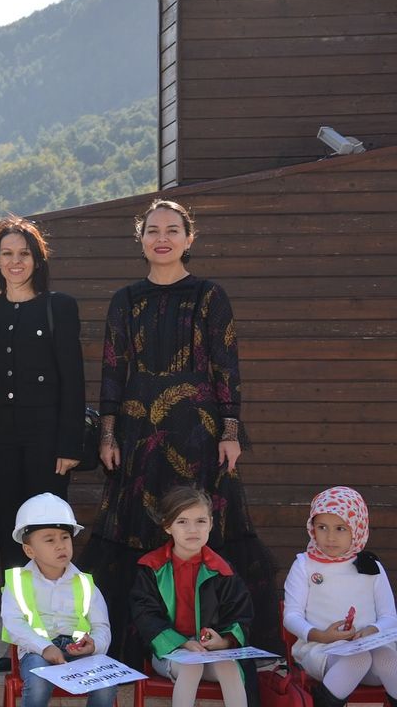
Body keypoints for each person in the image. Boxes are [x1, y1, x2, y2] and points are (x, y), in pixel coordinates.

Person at [81, 199, 277, 659]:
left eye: (172, 229)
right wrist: (107, 435)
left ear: (189, 238)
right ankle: (139, 646)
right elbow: (112, 372)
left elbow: (227, 367)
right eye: (153, 230)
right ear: (140, 239)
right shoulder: (125, 300)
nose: (162, 238)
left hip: (199, 431)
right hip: (137, 432)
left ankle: (212, 638)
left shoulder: (210, 295)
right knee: (138, 528)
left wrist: (230, 431)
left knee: (200, 522)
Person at [0, 217, 84, 571]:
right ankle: (16, 603)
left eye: (24, 253)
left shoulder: (59, 307)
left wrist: (69, 445)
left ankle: (55, 602)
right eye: (7, 253)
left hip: (47, 442)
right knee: (9, 527)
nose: (15, 261)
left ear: (37, 259)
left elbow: (73, 380)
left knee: (49, 528)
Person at [129, 487, 256, 707]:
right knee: (191, 666)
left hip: (210, 652)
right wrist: (183, 643)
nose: (192, 529)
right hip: (169, 651)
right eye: (182, 522)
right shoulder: (152, 568)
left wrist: (223, 641)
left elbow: (239, 614)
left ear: (211, 524)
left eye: (200, 521)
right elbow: (145, 615)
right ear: (167, 526)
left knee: (230, 667)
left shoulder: (222, 571)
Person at [283, 486, 397, 707]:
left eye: (340, 528)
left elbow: (390, 617)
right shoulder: (304, 565)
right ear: (312, 528)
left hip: (370, 647)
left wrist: (372, 630)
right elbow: (291, 616)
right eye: (322, 527)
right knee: (357, 659)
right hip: (322, 650)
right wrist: (320, 635)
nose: (330, 537)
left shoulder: (370, 566)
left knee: (386, 657)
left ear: (357, 528)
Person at [1, 493, 115, 707]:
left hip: (80, 652)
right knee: (39, 683)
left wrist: (93, 646)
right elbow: (13, 624)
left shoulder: (85, 583)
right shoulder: (17, 582)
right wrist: (45, 647)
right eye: (50, 540)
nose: (61, 545)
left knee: (106, 685)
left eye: (65, 537)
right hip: (37, 652)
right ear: (29, 550)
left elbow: (101, 627)